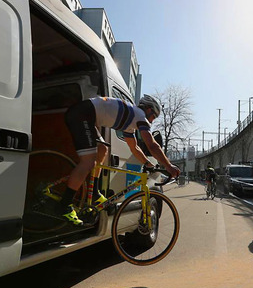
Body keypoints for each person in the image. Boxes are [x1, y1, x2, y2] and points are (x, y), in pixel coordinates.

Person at [60, 94, 181, 225]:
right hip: (82, 114)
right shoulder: (140, 115)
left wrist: (148, 163)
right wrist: (169, 166)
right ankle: (64, 205)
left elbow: (134, 147)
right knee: (88, 161)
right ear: (148, 109)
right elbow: (151, 145)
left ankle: (94, 192)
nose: (152, 121)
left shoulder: (132, 121)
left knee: (102, 150)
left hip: (86, 115)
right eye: (153, 117)